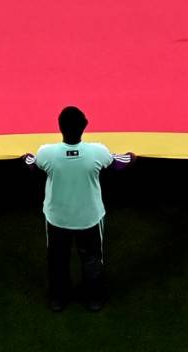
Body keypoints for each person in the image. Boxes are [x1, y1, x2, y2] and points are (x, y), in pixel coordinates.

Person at [26, 106, 133, 311]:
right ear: (84, 126)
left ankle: (58, 300)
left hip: (57, 218)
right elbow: (119, 163)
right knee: (92, 259)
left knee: (57, 259)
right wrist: (133, 156)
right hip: (89, 218)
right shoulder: (97, 152)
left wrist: (24, 157)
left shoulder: (46, 153)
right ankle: (94, 300)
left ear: (60, 127)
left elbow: (32, 163)